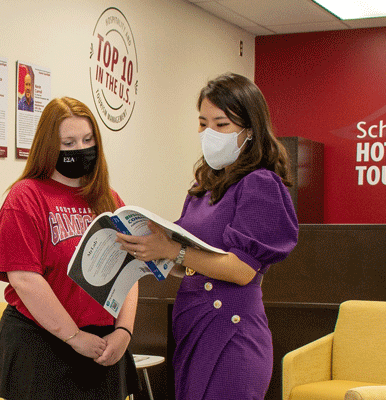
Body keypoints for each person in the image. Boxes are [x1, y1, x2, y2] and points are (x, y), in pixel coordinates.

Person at [115, 72, 299, 400]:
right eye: (202, 123)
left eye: (221, 124)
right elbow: (187, 260)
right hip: (193, 323)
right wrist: (150, 251)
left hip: (232, 329)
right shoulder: (204, 187)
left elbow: (242, 270)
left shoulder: (260, 183)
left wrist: (173, 251)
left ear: (251, 130)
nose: (209, 133)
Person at [0, 97, 139, 400]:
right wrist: (74, 336)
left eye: (87, 139)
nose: (79, 148)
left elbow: (129, 270)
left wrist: (124, 331)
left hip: (103, 345)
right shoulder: (26, 197)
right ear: (49, 147)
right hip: (42, 343)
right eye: (68, 142)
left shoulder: (107, 199)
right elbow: (25, 279)